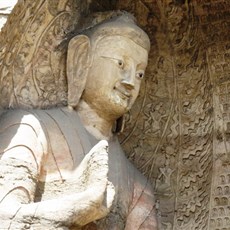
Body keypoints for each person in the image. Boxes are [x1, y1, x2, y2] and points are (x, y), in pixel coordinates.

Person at [0, 14, 157, 229]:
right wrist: (76, 209)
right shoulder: (29, 129)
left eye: (139, 74)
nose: (130, 82)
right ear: (82, 58)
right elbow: (4, 216)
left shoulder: (137, 186)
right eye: (120, 63)